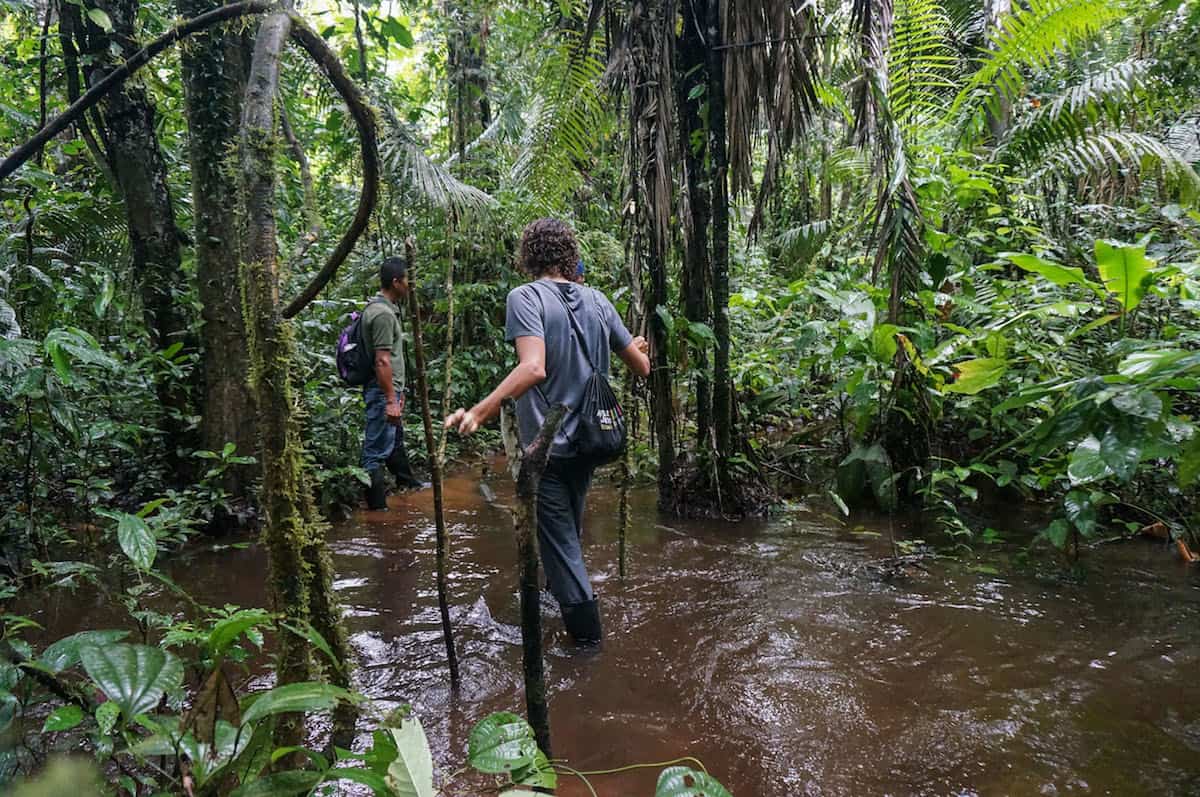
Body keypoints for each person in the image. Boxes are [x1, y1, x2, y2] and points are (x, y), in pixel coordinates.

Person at [445, 219, 650, 644]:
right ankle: (560, 603)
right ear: (569, 256)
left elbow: (534, 367)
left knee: (560, 546)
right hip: (593, 441)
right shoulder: (598, 300)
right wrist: (636, 346)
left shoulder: (525, 297)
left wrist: (481, 412)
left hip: (549, 447)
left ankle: (588, 649)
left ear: (528, 258)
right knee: (566, 533)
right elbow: (641, 367)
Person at [362, 256, 426, 511]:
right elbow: (382, 361)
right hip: (382, 392)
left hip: (388, 389)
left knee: (394, 438)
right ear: (396, 282)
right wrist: (390, 398)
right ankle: (377, 512)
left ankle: (408, 483)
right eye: (408, 280)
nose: (410, 285)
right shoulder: (382, 314)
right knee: (375, 451)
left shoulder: (384, 309)